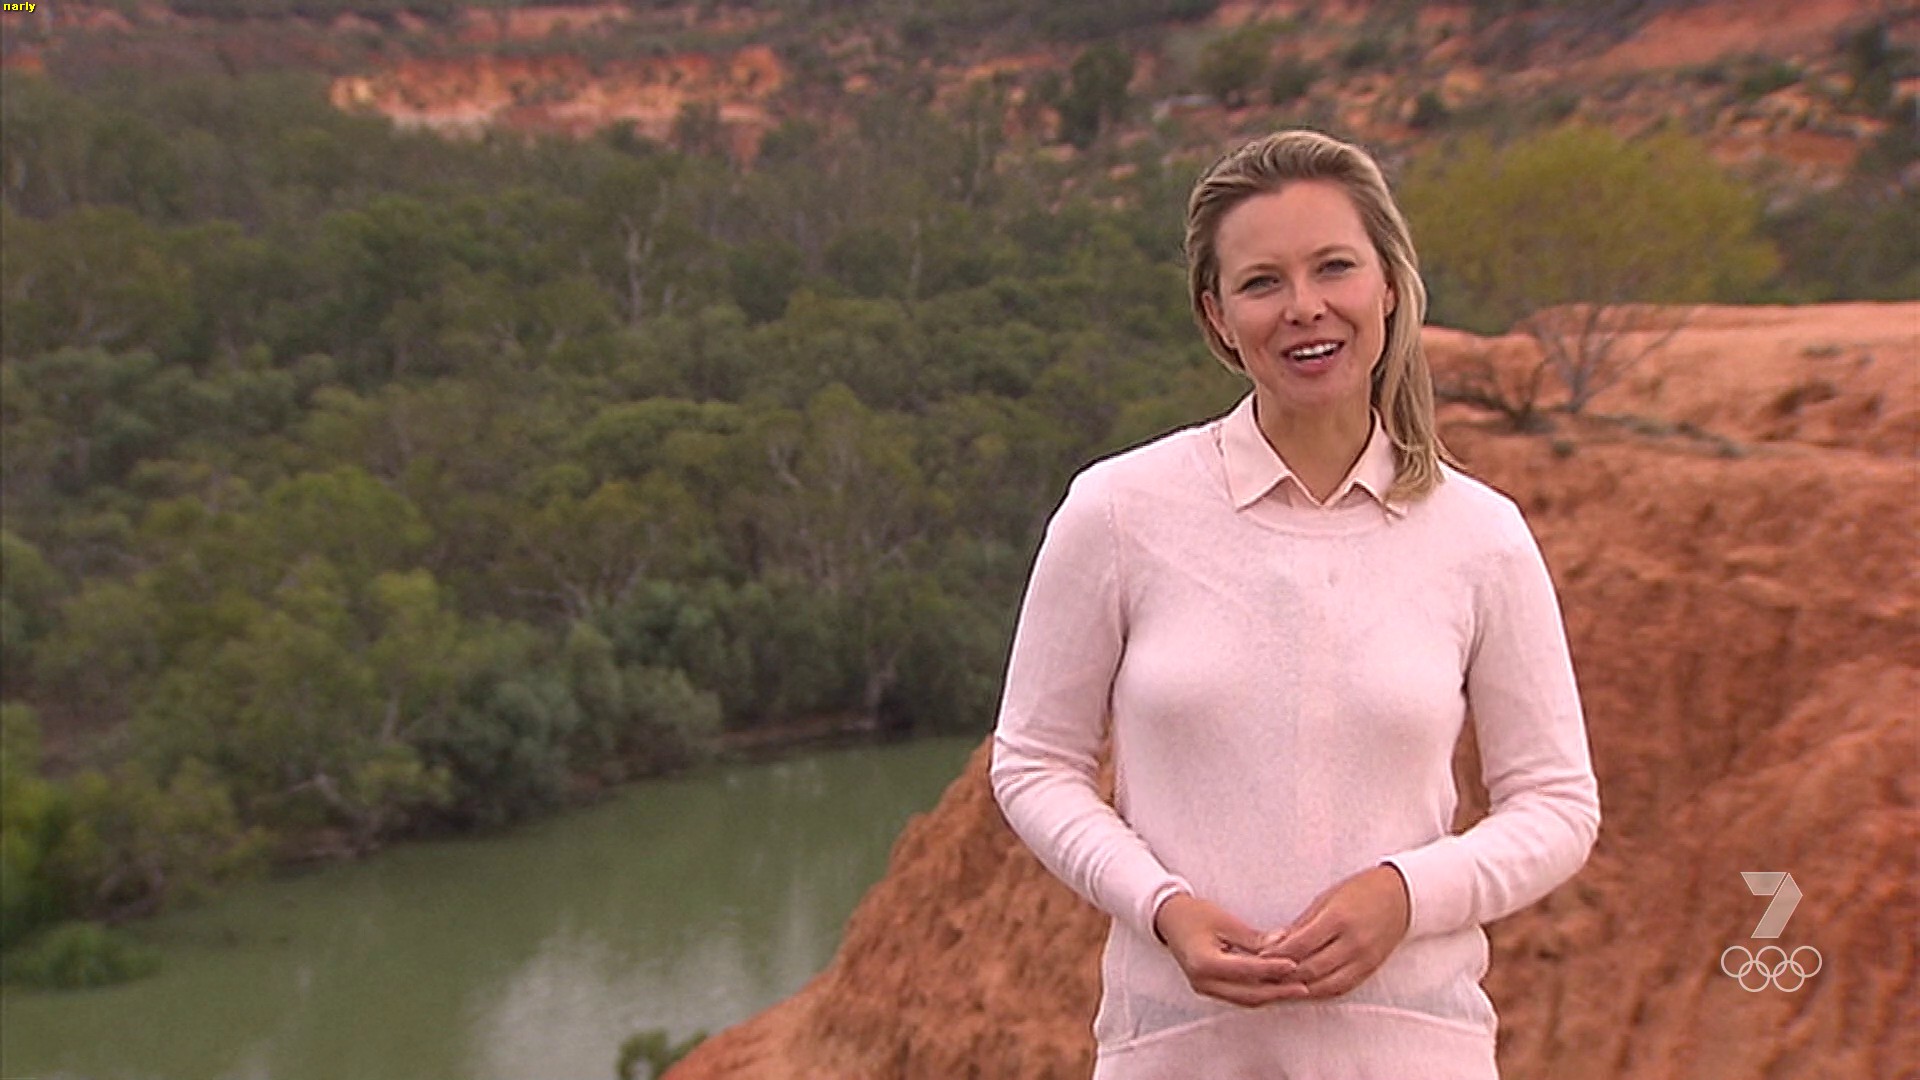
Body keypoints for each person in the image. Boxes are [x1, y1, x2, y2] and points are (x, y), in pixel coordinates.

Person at [989, 129, 1601, 1078]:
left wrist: (1406, 895)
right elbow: (1032, 762)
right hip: (1176, 1056)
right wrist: (1162, 907)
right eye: (1262, 282)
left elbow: (1557, 804)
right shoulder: (1117, 512)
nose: (1304, 307)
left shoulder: (1480, 535)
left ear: (1388, 285)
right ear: (1218, 316)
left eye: (1334, 267)